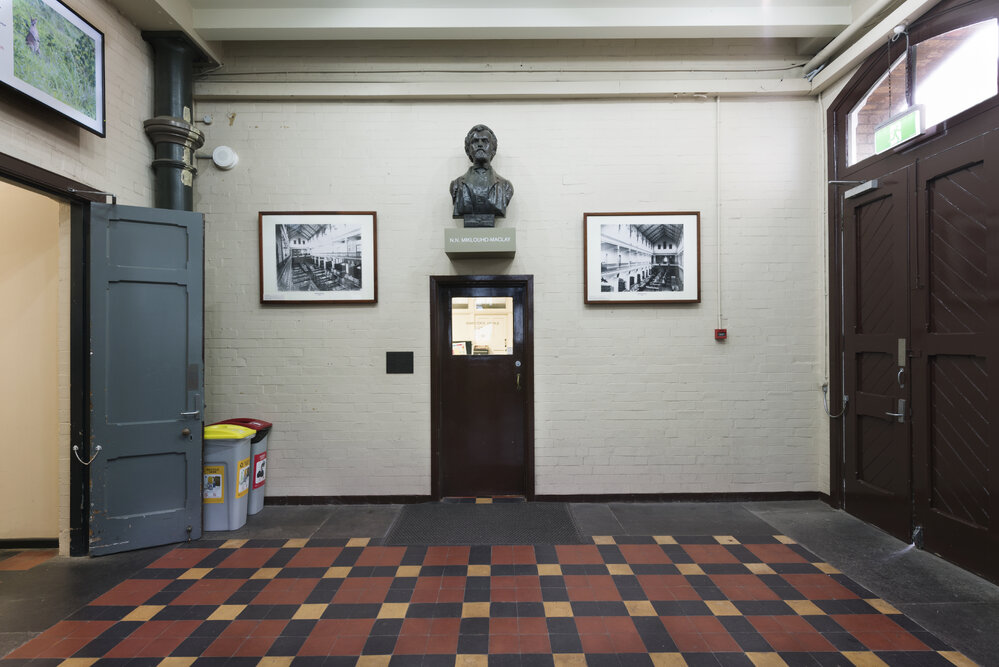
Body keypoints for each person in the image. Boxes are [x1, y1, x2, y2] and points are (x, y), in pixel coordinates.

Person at [449, 124, 514, 227]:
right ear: (468, 150)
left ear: (493, 149)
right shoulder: (456, 185)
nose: (480, 145)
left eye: (485, 141)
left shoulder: (505, 186)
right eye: (475, 141)